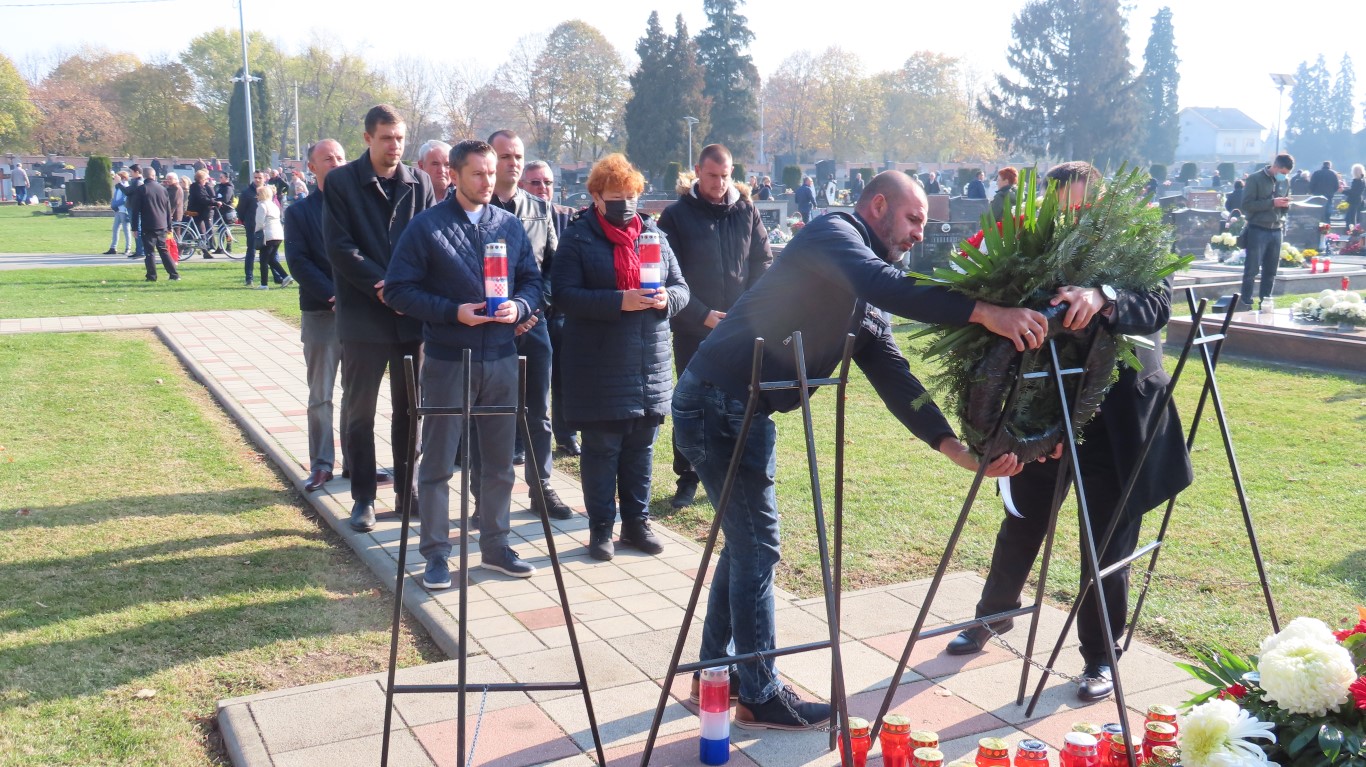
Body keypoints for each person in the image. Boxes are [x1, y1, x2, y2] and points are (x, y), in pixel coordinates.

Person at [673, 170, 1047, 729]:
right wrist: (985, 311)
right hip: (716, 402)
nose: (919, 233)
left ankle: (716, 674)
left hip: (742, 409)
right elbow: (885, 284)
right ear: (877, 206)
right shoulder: (833, 234)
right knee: (757, 545)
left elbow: (895, 375)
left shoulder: (865, 294)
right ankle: (758, 692)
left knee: (747, 544)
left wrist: (954, 449)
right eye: (913, 219)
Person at [946, 161, 1193, 701]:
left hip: (1115, 421)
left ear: (1103, 203)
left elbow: (1155, 306)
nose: (1072, 219)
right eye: (1061, 211)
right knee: (1022, 521)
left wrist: (1103, 296)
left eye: (1082, 208)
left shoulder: (1135, 243)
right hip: (1046, 415)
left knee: (1105, 541)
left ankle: (1100, 657)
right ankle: (993, 615)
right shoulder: (1034, 246)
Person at [385, 138, 544, 585]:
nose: (488, 181)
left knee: (499, 464)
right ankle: (436, 555)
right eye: (478, 173)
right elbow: (398, 290)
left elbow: (533, 281)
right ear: (453, 176)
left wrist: (520, 306)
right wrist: (452, 312)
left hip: (502, 359)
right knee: (437, 464)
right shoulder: (427, 227)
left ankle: (496, 546)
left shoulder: (508, 225)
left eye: (491, 172)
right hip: (448, 360)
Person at [554, 153, 688, 562]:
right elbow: (563, 295)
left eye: (631, 196)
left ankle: (636, 523)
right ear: (596, 197)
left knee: (640, 449)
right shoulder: (578, 238)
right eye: (615, 197)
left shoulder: (654, 235)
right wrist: (619, 301)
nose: (625, 204)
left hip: (648, 364)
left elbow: (681, 288)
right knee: (602, 450)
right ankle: (600, 529)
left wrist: (666, 300)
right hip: (599, 366)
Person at [323, 104, 436, 533]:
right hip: (363, 316)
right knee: (360, 411)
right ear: (368, 138)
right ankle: (364, 497)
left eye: (400, 138)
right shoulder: (341, 182)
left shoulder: (420, 182)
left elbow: (429, 240)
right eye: (387, 138)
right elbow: (340, 247)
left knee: (411, 409)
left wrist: (407, 289)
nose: (395, 146)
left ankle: (408, 490)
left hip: (410, 317)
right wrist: (382, 286)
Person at [657, 143, 772, 510]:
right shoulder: (676, 216)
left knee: (737, 403)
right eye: (711, 176)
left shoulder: (746, 211)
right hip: (693, 329)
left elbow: (762, 263)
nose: (719, 183)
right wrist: (701, 314)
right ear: (697, 171)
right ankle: (688, 477)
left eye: (725, 176)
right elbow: (667, 275)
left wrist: (746, 313)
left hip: (739, 329)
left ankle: (732, 474)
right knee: (690, 404)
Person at [474, 130, 575, 519]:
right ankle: (484, 496)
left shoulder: (538, 208)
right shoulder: (472, 206)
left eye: (518, 156)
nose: (513, 163)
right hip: (486, 327)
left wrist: (530, 309)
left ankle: (541, 486)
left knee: (538, 411)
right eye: (505, 157)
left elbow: (552, 268)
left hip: (532, 323)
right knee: (486, 413)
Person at [285, 139, 350, 494]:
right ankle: (322, 464)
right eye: (328, 159)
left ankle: (357, 463)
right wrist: (332, 295)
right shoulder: (299, 212)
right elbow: (298, 262)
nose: (336, 163)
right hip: (321, 313)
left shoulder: (360, 207)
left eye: (340, 157)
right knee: (321, 395)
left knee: (357, 394)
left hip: (360, 316)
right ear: (311, 168)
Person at [520, 160, 579, 456]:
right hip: (532, 314)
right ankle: (522, 440)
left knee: (565, 379)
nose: (542, 188)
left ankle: (566, 436)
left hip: (563, 313)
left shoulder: (569, 217)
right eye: (535, 183)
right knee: (531, 382)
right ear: (522, 185)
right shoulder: (519, 216)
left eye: (547, 182)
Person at [1239, 153, 1294, 310]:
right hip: (1258, 228)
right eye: (1282, 172)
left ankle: (1265, 303)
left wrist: (1285, 205)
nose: (1284, 176)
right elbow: (1247, 205)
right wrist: (1272, 203)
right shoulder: (1255, 179)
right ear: (1275, 166)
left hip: (1276, 229)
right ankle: (1246, 302)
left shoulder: (1285, 182)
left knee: (1271, 271)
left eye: (1286, 174)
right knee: (1252, 270)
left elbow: (1283, 205)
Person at [137, 168, 180, 283]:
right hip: (162, 224)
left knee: (150, 252)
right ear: (154, 175)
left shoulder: (142, 189)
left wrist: (134, 227)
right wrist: (169, 226)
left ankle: (152, 276)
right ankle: (174, 274)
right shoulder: (162, 189)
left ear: (144, 176)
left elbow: (136, 210)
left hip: (148, 224)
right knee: (163, 250)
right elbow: (167, 209)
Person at [254, 184, 291, 289]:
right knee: (271, 259)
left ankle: (264, 284)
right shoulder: (274, 205)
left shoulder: (262, 205)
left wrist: (256, 232)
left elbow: (259, 222)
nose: (256, 196)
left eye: (258, 194)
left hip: (268, 235)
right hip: (278, 234)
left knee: (263, 260)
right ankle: (286, 276)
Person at [238, 170, 266, 285]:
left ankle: (277, 276)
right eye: (255, 177)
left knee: (269, 253)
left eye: (260, 177)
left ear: (264, 178)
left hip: (265, 226)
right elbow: (240, 209)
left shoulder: (266, 191)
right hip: (252, 226)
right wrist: (246, 222)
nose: (257, 180)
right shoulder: (247, 193)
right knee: (251, 251)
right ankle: (249, 277)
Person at [187, 169, 218, 255]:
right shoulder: (197, 187)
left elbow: (205, 198)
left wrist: (213, 202)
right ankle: (204, 251)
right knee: (201, 232)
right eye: (205, 179)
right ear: (201, 179)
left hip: (196, 212)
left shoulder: (197, 186)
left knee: (200, 232)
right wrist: (215, 203)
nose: (206, 181)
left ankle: (204, 251)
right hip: (196, 212)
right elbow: (203, 199)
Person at [105, 171, 133, 255]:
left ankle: (128, 248)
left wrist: (115, 204)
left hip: (124, 210)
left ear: (123, 178)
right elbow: (115, 197)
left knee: (126, 230)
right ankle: (113, 247)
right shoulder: (118, 187)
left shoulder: (126, 186)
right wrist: (113, 204)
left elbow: (124, 199)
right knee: (115, 229)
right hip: (118, 210)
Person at [125, 164, 145, 259]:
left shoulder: (138, 182)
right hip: (132, 207)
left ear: (137, 172)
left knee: (137, 229)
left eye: (131, 172)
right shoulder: (135, 181)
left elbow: (127, 191)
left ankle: (141, 251)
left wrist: (118, 183)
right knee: (136, 229)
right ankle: (138, 250)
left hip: (135, 208)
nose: (130, 174)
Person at [1345, 164, 1365, 229]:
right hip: (1359, 200)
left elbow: (1353, 192)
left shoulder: (1356, 180)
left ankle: (1351, 230)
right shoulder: (1362, 180)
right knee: (1355, 216)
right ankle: (1354, 230)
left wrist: (1343, 191)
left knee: (1350, 217)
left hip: (1354, 200)